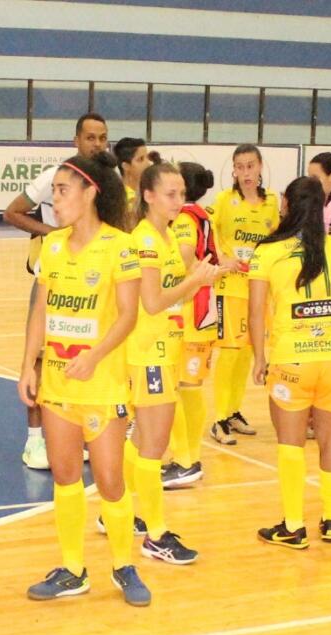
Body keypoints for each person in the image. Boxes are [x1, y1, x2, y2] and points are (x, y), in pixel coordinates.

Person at [17, 151, 151, 606]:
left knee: (111, 480)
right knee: (65, 476)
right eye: (53, 191)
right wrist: (27, 365)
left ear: (90, 192)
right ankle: (73, 569)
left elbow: (129, 315)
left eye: (62, 190)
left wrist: (94, 356)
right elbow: (41, 311)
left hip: (104, 384)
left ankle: (123, 564)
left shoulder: (120, 246)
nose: (54, 200)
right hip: (58, 384)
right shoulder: (52, 247)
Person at [250, 175, 331, 548]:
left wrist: (259, 357)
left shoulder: (268, 251)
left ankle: (294, 526)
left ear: (286, 205)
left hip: (291, 360)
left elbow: (255, 311)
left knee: (291, 445)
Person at [124, 161, 223, 563]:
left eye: (182, 193)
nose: (179, 200)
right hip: (147, 352)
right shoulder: (147, 240)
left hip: (163, 347)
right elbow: (152, 302)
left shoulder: (165, 236)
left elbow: (175, 297)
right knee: (153, 446)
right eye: (170, 193)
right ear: (148, 195)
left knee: (141, 442)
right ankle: (155, 535)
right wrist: (194, 280)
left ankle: (124, 512)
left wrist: (203, 278)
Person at [4, 113, 110, 470]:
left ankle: (82, 431)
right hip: (53, 281)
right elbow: (13, 212)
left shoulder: (107, 184)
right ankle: (35, 441)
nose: (97, 144)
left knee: (91, 353)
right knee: (40, 356)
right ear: (76, 140)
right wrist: (53, 234)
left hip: (95, 284)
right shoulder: (54, 177)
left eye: (102, 138)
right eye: (90, 137)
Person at [210, 144, 279, 445]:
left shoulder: (272, 202)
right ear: (234, 170)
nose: (246, 172)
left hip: (259, 289)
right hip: (231, 288)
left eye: (251, 165)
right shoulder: (224, 201)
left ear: (260, 166)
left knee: (247, 352)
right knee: (230, 352)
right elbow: (207, 233)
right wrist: (221, 258)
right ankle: (219, 418)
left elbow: (276, 240)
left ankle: (233, 411)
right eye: (240, 167)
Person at [163, 161, 219, 488]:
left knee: (178, 388)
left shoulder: (184, 218)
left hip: (190, 310)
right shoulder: (203, 214)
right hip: (204, 307)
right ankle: (189, 458)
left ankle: (185, 460)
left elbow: (184, 259)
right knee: (189, 387)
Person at [114, 136, 151, 204]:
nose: (148, 164)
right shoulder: (119, 199)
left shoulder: (149, 193)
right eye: (141, 159)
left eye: (147, 157)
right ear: (126, 166)